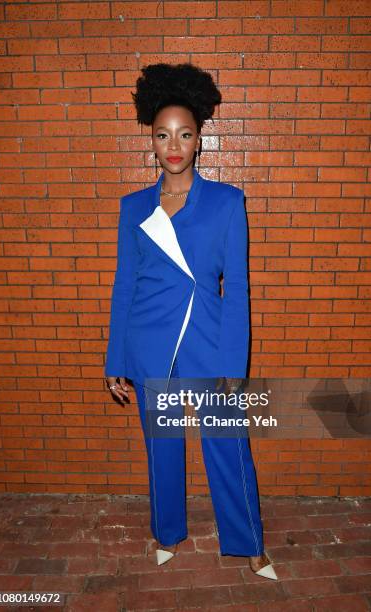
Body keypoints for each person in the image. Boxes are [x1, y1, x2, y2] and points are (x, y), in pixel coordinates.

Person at [104, 62, 277, 580]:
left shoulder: (226, 201)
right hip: (150, 344)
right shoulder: (133, 208)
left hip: (208, 342)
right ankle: (168, 533)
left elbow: (238, 287)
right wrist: (116, 357)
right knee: (163, 450)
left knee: (228, 448)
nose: (173, 144)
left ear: (200, 140)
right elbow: (124, 285)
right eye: (163, 135)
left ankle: (249, 543)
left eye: (184, 134)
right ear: (151, 143)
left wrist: (233, 361)